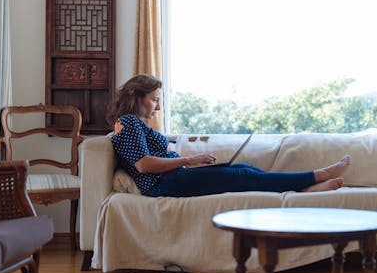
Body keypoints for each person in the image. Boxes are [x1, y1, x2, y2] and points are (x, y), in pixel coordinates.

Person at [106, 74, 350, 198]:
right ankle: (318, 175)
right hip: (163, 185)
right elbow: (144, 165)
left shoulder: (132, 124)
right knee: (243, 174)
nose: (157, 108)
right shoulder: (127, 123)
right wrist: (189, 160)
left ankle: (304, 191)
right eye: (154, 101)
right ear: (138, 97)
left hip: (174, 178)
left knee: (245, 169)